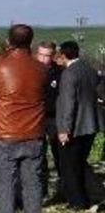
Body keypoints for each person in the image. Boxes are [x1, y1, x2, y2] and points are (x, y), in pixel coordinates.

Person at [0, 24, 47, 213]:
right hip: (34, 132)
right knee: (33, 184)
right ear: (31, 42)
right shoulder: (41, 69)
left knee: (4, 184)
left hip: (4, 132)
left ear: (9, 41)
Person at [55, 41, 104, 211]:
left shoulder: (69, 74)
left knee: (69, 165)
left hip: (75, 126)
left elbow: (68, 103)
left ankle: (77, 201)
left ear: (63, 54)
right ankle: (93, 194)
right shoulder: (89, 70)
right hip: (91, 123)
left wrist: (64, 129)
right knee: (80, 162)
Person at [35, 41, 64, 201]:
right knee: (38, 155)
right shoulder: (31, 70)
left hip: (54, 117)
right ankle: (41, 190)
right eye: (41, 55)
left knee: (59, 154)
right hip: (36, 116)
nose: (44, 59)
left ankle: (63, 189)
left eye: (47, 56)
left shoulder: (60, 72)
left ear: (53, 56)